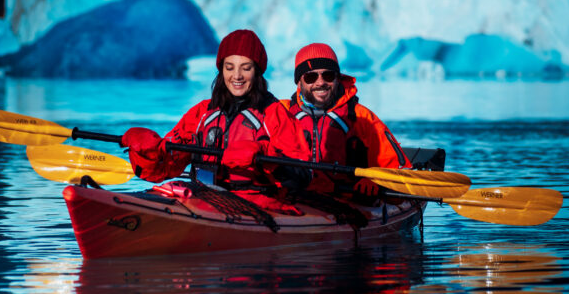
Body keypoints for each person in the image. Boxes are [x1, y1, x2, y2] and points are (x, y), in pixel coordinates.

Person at [121, 29, 311, 196]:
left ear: (257, 72)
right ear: (221, 70)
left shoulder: (274, 114)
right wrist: (149, 153)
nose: (236, 76)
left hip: (257, 205)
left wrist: (265, 156)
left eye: (246, 68)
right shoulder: (201, 113)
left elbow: (302, 177)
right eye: (229, 67)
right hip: (203, 197)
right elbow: (166, 168)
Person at [283, 43, 412, 197]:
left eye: (328, 75)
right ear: (299, 82)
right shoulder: (281, 112)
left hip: (348, 199)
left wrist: (374, 180)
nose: (320, 82)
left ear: (338, 78)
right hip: (293, 195)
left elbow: (397, 172)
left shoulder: (362, 117)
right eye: (311, 77)